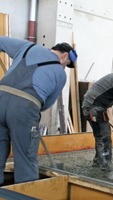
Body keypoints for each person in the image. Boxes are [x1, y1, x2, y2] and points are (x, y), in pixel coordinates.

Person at [0, 36, 78, 185]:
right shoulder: (60, 74)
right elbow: (46, 104)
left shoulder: (27, 47)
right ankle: (25, 194)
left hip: (0, 97)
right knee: (25, 157)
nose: (64, 67)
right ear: (64, 56)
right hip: (24, 107)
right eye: (66, 64)